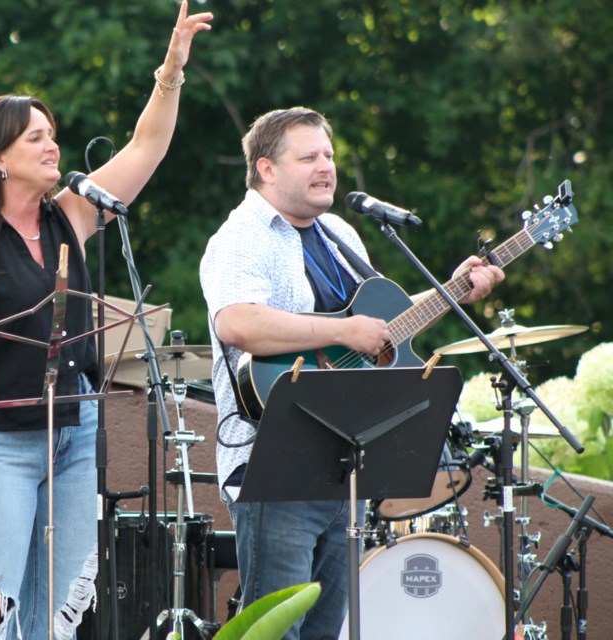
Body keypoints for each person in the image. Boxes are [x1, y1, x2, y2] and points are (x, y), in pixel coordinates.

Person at [0, 2, 212, 638]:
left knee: (56, 601)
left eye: (52, 135)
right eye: (35, 138)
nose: (52, 146)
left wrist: (172, 71)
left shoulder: (71, 215)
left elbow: (147, 147)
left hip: (73, 435)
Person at [198, 107, 504, 639]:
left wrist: (453, 289)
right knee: (276, 634)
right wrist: (340, 333)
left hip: (348, 463)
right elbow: (237, 321)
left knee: (325, 634)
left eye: (330, 155)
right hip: (276, 468)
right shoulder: (242, 234)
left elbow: (382, 325)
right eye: (309, 157)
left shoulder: (337, 232)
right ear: (267, 169)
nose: (326, 167)